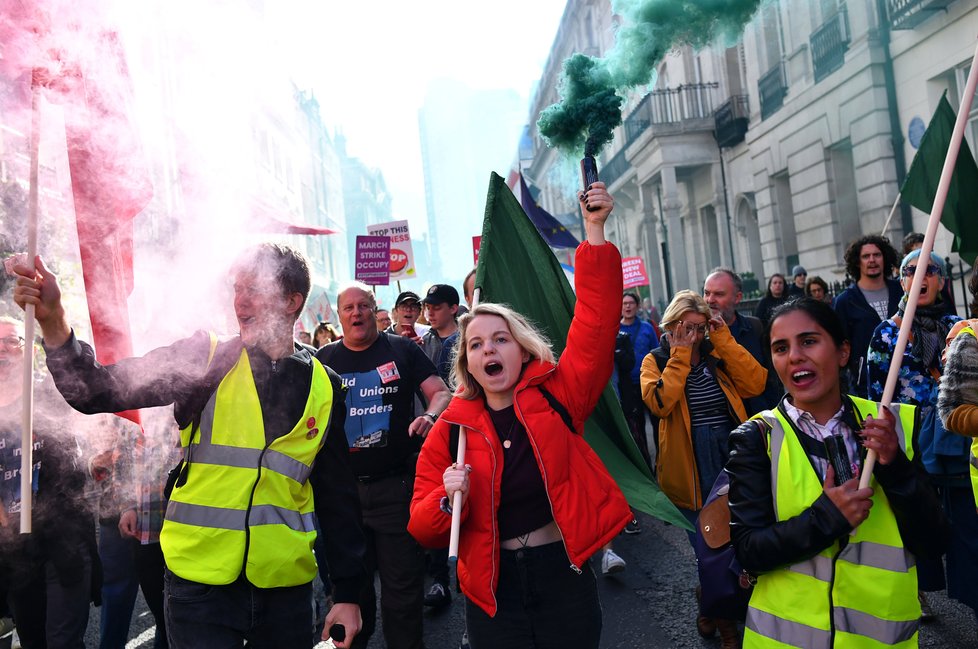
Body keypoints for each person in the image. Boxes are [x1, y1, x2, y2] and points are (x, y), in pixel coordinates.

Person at [12, 244, 366, 648]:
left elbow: (338, 498)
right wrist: (54, 320)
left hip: (285, 589)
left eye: (254, 288)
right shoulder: (206, 356)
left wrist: (349, 592)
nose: (240, 301)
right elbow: (97, 389)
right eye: (237, 288)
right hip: (200, 589)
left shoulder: (327, 386)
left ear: (291, 301)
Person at [408, 182, 631, 649]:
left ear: (522, 350)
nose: (488, 348)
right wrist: (449, 500)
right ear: (467, 362)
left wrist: (593, 234)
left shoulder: (559, 396)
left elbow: (594, 324)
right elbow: (423, 526)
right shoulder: (453, 429)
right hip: (493, 591)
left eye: (500, 339)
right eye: (476, 344)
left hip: (563, 575)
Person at [727, 298, 948, 648]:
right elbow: (749, 550)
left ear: (843, 352)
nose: (795, 356)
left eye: (809, 341)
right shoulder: (757, 438)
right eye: (781, 348)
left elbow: (933, 541)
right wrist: (826, 519)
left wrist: (895, 466)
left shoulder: (893, 427)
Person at [318, 284, 452, 649]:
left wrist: (429, 415)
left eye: (364, 305)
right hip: (342, 497)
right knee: (350, 596)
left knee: (402, 596)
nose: (357, 313)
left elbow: (441, 392)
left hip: (395, 489)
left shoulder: (403, 349)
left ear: (375, 309)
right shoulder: (323, 359)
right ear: (340, 315)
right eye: (349, 308)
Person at [640, 290, 766, 646]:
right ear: (670, 326)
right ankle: (727, 627)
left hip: (731, 459)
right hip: (689, 464)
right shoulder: (655, 359)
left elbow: (756, 382)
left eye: (698, 328)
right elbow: (660, 403)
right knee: (708, 551)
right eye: (685, 327)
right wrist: (679, 356)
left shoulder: (716, 354)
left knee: (740, 546)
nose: (693, 336)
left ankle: (713, 606)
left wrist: (722, 337)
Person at [0, 315, 99, 649]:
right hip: (14, 549)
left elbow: (85, 386)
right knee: (32, 639)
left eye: (12, 340)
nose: (3, 350)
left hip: (64, 541)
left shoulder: (52, 393)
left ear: (29, 349)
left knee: (62, 641)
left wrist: (50, 321)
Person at [832, 234, 902, 397]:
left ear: (885, 258)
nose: (872, 260)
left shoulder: (901, 291)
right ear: (857, 262)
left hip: (906, 378)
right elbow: (838, 345)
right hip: (866, 384)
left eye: (877, 255)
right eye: (866, 256)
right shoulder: (845, 301)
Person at [703, 268, 781, 413]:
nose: (710, 300)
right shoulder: (699, 337)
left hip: (759, 421)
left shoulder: (755, 327)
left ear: (737, 298)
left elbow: (773, 379)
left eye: (719, 294)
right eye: (706, 293)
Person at [619, 291, 659, 472]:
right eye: (624, 303)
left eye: (630, 303)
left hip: (649, 382)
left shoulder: (647, 328)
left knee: (658, 424)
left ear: (637, 306)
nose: (627, 306)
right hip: (628, 386)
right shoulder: (615, 331)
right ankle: (647, 470)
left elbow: (657, 352)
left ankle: (663, 464)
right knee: (638, 429)